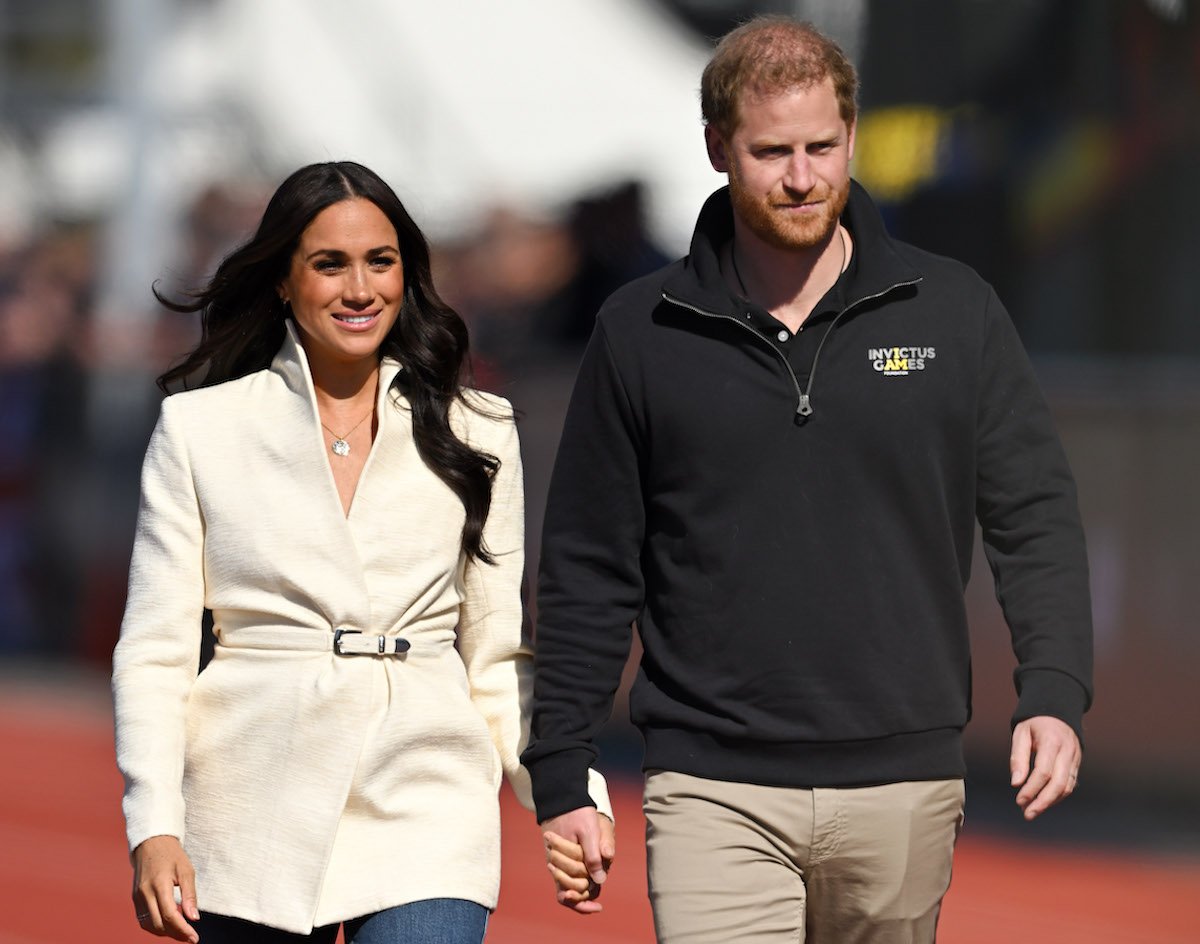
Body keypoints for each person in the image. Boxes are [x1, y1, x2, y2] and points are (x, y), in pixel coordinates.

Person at [523, 17, 1092, 944]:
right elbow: (589, 564)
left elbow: (1035, 516)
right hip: (710, 787)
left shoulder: (955, 312)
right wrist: (563, 762)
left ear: (853, 137)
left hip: (905, 784)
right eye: (772, 151)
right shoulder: (639, 331)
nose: (801, 176)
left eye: (823, 146)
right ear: (717, 149)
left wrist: (1056, 691)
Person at [111, 161, 611, 944]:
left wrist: (563, 791)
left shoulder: (478, 429)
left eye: (381, 262)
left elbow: (495, 653)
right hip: (250, 804)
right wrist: (154, 824)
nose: (360, 289)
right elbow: (155, 652)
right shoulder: (199, 431)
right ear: (282, 279)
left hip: (426, 802)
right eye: (329, 264)